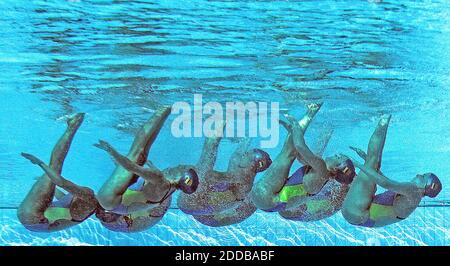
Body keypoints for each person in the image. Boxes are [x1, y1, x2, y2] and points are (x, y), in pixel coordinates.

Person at [251, 103, 356, 215]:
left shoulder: (321, 167)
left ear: (335, 168)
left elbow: (300, 146)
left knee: (288, 153)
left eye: (338, 157)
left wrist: (294, 124)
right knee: (290, 151)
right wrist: (294, 132)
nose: (337, 154)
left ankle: (312, 110)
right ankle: (310, 111)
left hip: (266, 197)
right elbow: (300, 156)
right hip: (269, 205)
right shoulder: (322, 175)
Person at [341, 115, 442, 227]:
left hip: (356, 212)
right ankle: (383, 120)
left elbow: (385, 183)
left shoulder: (413, 190)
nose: (418, 174)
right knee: (374, 162)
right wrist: (366, 160)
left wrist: (357, 164)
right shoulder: (414, 196)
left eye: (423, 177)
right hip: (357, 215)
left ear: (425, 187)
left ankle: (384, 118)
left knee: (373, 160)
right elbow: (386, 182)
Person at [95, 106, 198, 216]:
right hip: (114, 204)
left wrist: (110, 150)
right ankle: (165, 111)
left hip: (110, 199)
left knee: (136, 152)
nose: (180, 165)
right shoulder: (170, 189)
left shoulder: (159, 179)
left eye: (181, 168)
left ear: (179, 177)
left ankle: (163, 109)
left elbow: (130, 167)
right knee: (141, 155)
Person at [18, 113, 98, 232]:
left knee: (55, 166)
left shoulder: (90, 201)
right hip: (31, 219)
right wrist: (47, 187)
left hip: (33, 218)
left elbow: (60, 182)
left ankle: (73, 125)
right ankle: (71, 125)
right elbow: (63, 199)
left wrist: (40, 163)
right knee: (53, 170)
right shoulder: (84, 204)